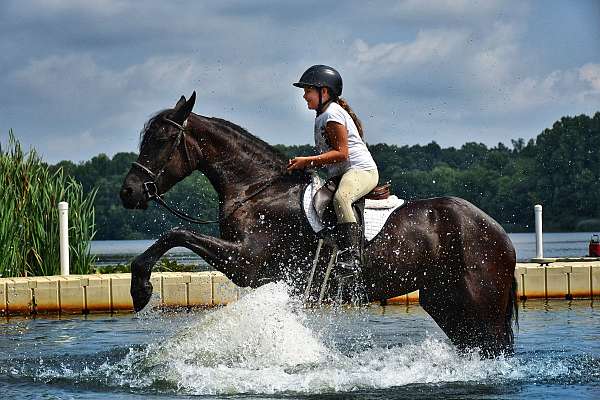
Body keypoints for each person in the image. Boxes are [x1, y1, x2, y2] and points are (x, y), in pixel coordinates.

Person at [288, 65, 379, 275]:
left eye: (308, 91)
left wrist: (307, 161)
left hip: (361, 171)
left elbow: (342, 154)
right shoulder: (323, 115)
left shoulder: (332, 114)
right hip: (343, 174)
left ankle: (351, 257)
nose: (304, 96)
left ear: (324, 92)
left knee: (342, 199)